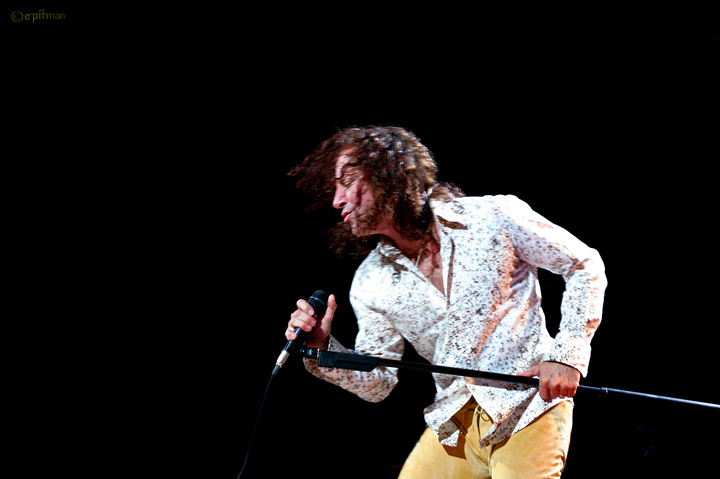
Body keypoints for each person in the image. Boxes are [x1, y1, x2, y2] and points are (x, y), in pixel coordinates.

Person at [285, 126, 607, 478]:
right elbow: (378, 382)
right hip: (454, 421)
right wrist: (321, 348)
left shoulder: (492, 217)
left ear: (387, 176)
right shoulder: (370, 281)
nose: (337, 200)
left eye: (347, 182)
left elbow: (582, 264)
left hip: (528, 406)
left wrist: (566, 355)